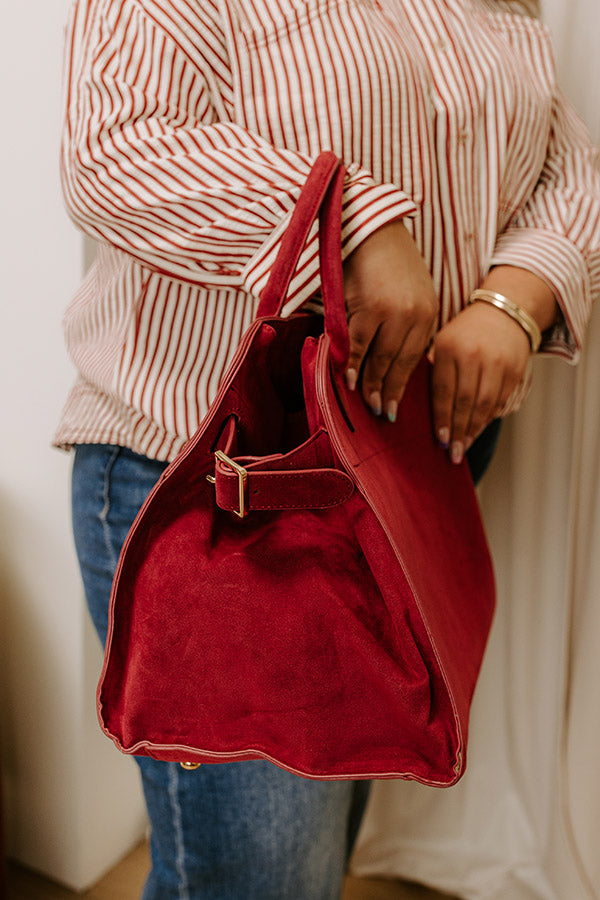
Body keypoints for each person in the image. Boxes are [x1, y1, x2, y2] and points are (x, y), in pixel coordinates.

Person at [56, 0, 600, 897]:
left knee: (319, 837)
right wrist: (349, 222)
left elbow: (561, 156)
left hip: (406, 465)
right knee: (262, 878)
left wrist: (517, 293)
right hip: (226, 486)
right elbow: (112, 151)